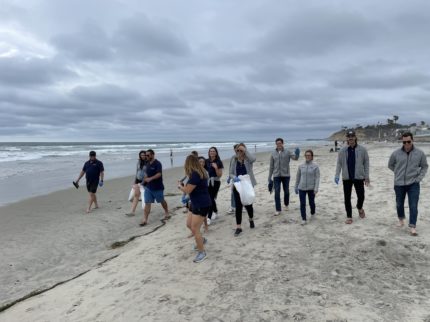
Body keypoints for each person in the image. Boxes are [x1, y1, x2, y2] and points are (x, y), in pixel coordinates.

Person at [388, 132, 428, 236]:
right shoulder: (396, 153)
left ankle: (412, 226)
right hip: (399, 183)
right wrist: (398, 173)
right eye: (404, 142)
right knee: (399, 204)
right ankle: (401, 220)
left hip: (413, 184)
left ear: (412, 140)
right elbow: (390, 165)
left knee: (413, 205)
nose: (406, 144)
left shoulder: (419, 153)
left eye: (408, 142)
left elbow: (424, 166)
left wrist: (418, 178)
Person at [178, 155, 211, 263]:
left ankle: (202, 252)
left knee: (195, 228)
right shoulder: (194, 173)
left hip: (201, 204)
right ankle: (202, 240)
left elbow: (187, 190)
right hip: (194, 203)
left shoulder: (196, 174)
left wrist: (180, 186)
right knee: (189, 225)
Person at [335, 129, 370, 224]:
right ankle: (349, 216)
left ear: (355, 137)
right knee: (347, 197)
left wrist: (366, 177)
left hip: (358, 177)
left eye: (352, 136)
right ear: (347, 138)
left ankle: (359, 207)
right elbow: (339, 163)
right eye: (349, 137)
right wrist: (337, 175)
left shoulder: (362, 150)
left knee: (361, 196)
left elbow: (366, 163)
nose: (351, 138)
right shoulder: (342, 150)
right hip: (347, 177)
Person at [229, 143, 256, 236]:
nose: (239, 152)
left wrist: (245, 151)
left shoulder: (248, 159)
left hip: (248, 184)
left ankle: (251, 219)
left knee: (248, 204)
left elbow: (254, 159)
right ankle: (238, 227)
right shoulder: (234, 159)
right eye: (238, 150)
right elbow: (231, 173)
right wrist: (234, 177)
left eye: (241, 150)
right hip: (238, 185)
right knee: (238, 206)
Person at [268, 138, 300, 216]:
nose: (278, 145)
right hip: (276, 175)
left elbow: (295, 158)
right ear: (276, 144)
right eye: (277, 143)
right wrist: (269, 177)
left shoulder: (287, 151)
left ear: (282, 143)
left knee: (286, 191)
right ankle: (278, 209)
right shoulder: (273, 153)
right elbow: (271, 166)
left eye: (280, 143)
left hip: (286, 175)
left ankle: (286, 204)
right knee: (277, 192)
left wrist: (297, 154)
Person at [140, 149, 170, 226]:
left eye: (148, 155)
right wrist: (144, 180)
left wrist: (150, 178)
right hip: (148, 187)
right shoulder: (147, 164)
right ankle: (145, 219)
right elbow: (146, 173)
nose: (146, 156)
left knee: (161, 200)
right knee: (147, 203)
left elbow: (159, 174)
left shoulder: (158, 163)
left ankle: (166, 212)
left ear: (153, 155)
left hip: (157, 187)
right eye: (146, 155)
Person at [294, 150, 320, 225]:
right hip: (301, 188)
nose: (307, 156)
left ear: (312, 157)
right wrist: (296, 186)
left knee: (311, 203)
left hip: (311, 188)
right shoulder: (301, 166)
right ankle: (304, 218)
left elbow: (317, 178)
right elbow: (298, 177)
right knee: (302, 203)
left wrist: (316, 188)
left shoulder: (315, 166)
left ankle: (313, 213)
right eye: (306, 155)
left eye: (309, 155)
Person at [205, 147, 223, 224]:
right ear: (209, 152)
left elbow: (220, 175)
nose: (212, 152)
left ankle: (208, 217)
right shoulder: (206, 161)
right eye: (210, 151)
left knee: (210, 198)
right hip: (208, 181)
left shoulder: (218, 162)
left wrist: (216, 168)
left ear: (216, 152)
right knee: (210, 198)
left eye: (213, 151)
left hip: (216, 182)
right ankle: (215, 211)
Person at [126, 150, 147, 217]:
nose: (143, 156)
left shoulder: (148, 163)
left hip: (145, 182)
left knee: (144, 197)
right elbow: (137, 172)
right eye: (141, 155)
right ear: (140, 156)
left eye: (144, 155)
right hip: (138, 180)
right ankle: (132, 212)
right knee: (135, 196)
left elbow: (147, 174)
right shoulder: (138, 162)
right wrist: (135, 182)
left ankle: (146, 210)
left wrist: (142, 183)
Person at [226, 144, 239, 214]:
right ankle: (232, 207)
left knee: (241, 193)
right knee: (233, 193)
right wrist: (229, 177)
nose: (236, 150)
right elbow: (230, 167)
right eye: (235, 149)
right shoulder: (232, 157)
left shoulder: (243, 157)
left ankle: (241, 207)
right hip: (233, 177)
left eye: (237, 148)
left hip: (241, 178)